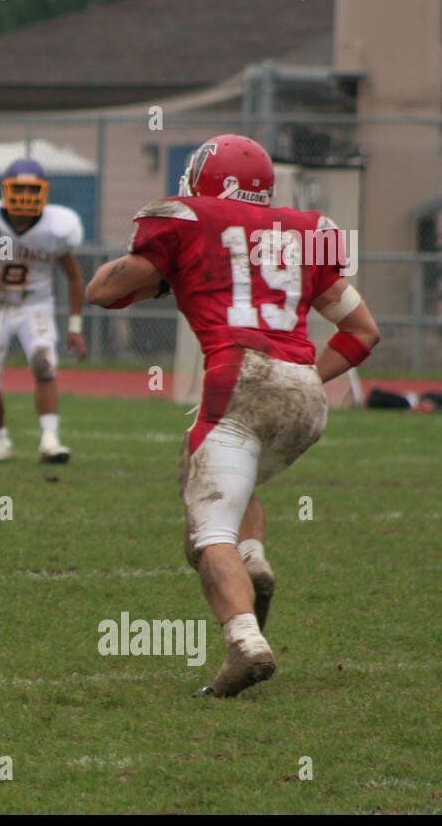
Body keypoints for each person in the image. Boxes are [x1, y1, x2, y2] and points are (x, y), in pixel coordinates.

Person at [84, 133, 380, 697]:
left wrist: (165, 271)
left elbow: (102, 291)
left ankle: (246, 642)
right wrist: (300, 379)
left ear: (203, 180)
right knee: (227, 479)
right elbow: (365, 331)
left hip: (238, 376)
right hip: (304, 394)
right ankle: (253, 558)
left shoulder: (186, 218)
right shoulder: (302, 231)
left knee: (204, 531)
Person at [0, 158, 87, 463]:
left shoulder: (56, 227)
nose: (25, 195)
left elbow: (74, 277)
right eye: (18, 188)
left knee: (43, 363)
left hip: (35, 306)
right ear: (4, 190)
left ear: (45, 192)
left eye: (32, 189)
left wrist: (75, 326)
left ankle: (50, 440)